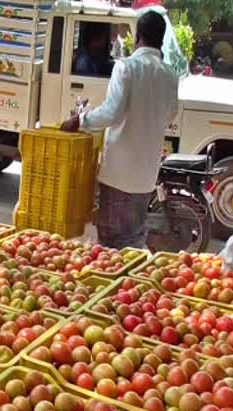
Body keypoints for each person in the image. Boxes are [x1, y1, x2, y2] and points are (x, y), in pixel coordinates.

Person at [61, 11, 178, 249]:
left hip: (119, 175)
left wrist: (80, 120)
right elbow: (170, 115)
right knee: (134, 239)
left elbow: (111, 113)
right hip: (145, 176)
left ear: (138, 36)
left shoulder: (126, 67)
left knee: (112, 245)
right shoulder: (170, 75)